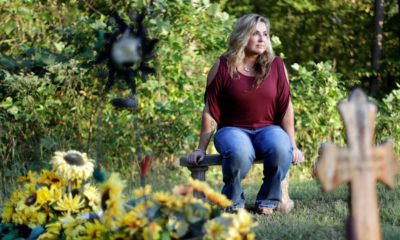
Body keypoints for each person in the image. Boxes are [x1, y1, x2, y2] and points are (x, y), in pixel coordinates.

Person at [188, 13, 304, 214]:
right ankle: (232, 199)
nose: (262, 39)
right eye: (256, 34)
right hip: (232, 129)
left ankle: (267, 199)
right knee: (240, 153)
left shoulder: (276, 66)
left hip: (268, 128)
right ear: (243, 36)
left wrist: (292, 145)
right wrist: (201, 148)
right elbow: (210, 110)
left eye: (265, 34)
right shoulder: (223, 66)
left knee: (280, 147)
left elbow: (286, 108)